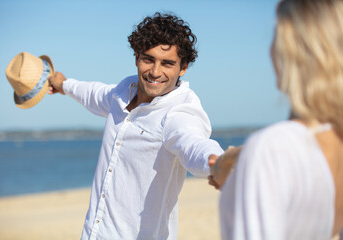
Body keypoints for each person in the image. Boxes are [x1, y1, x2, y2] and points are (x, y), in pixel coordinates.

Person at [48, 12, 224, 240]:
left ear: (183, 68)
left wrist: (217, 163)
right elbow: (92, 93)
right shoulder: (121, 93)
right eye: (148, 59)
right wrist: (64, 84)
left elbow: (192, 143)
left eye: (167, 63)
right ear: (136, 57)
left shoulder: (180, 111)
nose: (155, 71)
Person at [209, 0, 343, 239]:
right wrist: (230, 160)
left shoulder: (272, 148)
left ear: (290, 50)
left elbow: (278, 151)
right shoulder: (333, 138)